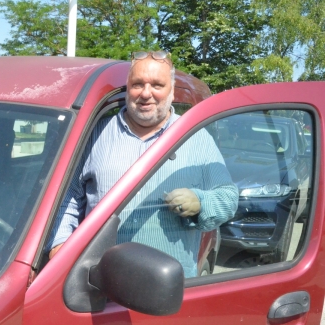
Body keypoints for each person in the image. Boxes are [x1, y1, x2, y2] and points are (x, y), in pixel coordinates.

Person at [48, 51, 238, 278]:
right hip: (100, 282)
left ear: (172, 89)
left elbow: (228, 198)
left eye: (157, 85)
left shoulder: (195, 137)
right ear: (127, 86)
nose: (146, 94)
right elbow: (66, 199)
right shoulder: (93, 134)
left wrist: (200, 202)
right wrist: (59, 248)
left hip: (168, 288)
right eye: (138, 84)